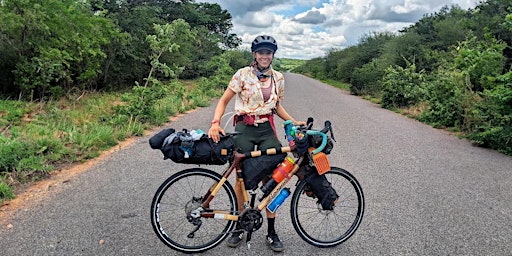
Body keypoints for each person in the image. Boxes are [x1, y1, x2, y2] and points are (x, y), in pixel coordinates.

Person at [208, 35, 305, 252]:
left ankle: (271, 230)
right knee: (240, 178)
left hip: (266, 130)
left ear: (273, 55)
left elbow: (276, 106)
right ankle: (239, 225)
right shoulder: (242, 74)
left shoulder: (278, 78)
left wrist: (292, 121)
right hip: (244, 128)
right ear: (254, 54)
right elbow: (224, 100)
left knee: (272, 178)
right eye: (260, 52)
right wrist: (215, 123)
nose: (264, 56)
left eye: (268, 52)